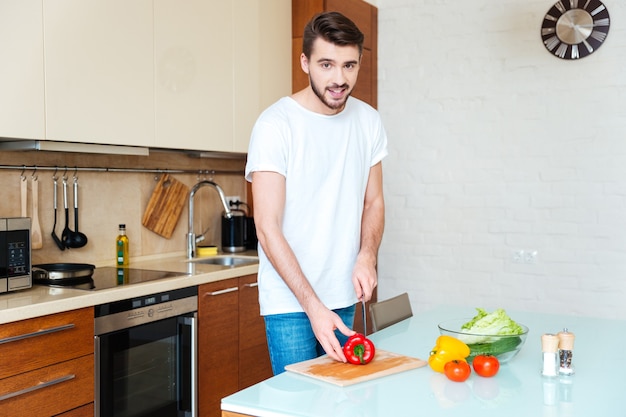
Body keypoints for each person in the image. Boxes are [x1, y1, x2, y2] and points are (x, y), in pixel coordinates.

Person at [245, 11, 388, 375]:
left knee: (342, 401)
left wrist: (367, 255)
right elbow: (267, 227)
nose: (339, 79)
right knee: (298, 405)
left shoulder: (368, 120)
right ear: (305, 62)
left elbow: (373, 202)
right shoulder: (275, 125)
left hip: (343, 293)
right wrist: (313, 306)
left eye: (349, 65)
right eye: (326, 64)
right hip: (290, 303)